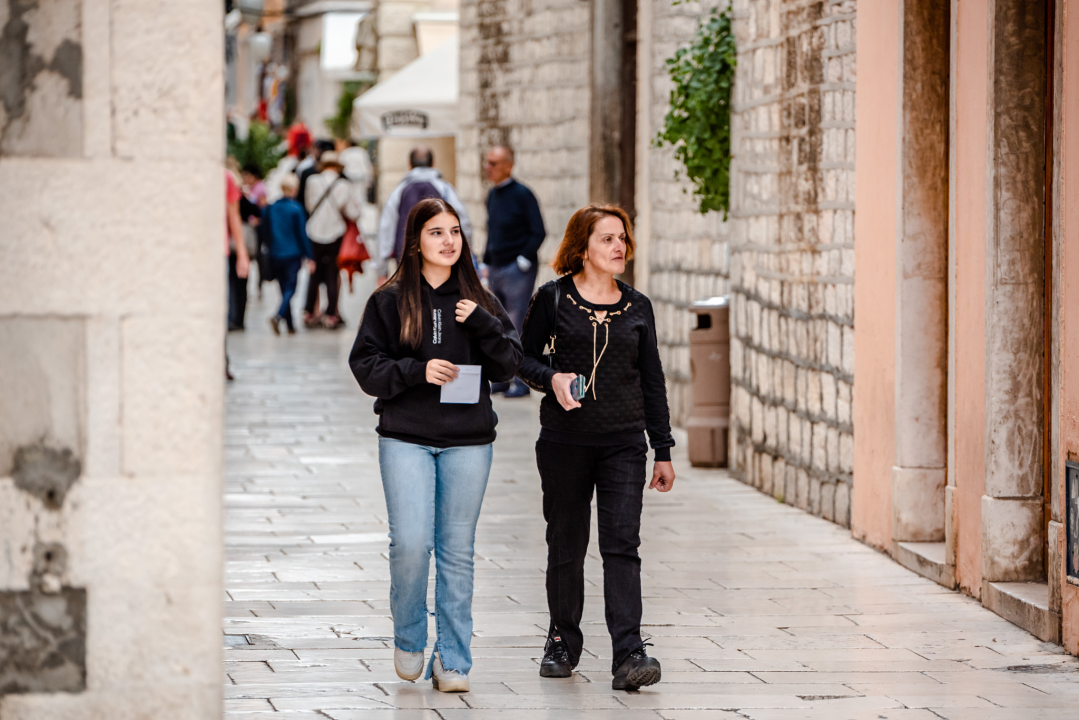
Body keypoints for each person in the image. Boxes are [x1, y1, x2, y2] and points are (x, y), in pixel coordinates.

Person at [350, 198, 522, 694]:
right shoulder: (390, 299)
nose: (449, 242)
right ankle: (409, 638)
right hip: (406, 437)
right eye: (436, 233)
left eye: (455, 232)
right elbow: (365, 367)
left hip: (468, 441)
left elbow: (510, 367)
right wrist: (415, 371)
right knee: (409, 544)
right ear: (415, 242)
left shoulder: (482, 301)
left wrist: (483, 324)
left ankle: (453, 660)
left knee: (457, 551)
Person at [517, 204, 676, 691]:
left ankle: (629, 652)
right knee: (566, 543)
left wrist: (662, 448)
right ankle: (562, 642)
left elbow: (653, 381)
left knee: (622, 546)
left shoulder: (639, 306)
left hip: (624, 445)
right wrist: (552, 377)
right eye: (607, 239)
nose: (618, 247)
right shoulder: (554, 299)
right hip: (564, 442)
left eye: (622, 238)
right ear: (582, 247)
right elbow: (519, 360)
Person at [483, 145, 546, 398]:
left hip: (517, 269)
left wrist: (524, 257)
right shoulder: (492, 195)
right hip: (496, 266)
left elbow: (538, 231)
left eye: (494, 163)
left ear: (509, 165)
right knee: (497, 324)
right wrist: (486, 261)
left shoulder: (523, 195)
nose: (488, 168)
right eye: (487, 163)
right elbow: (492, 232)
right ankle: (500, 377)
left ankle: (521, 381)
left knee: (517, 324)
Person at [376, 146, 472, 284]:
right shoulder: (445, 189)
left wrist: (382, 271)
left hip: (406, 261)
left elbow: (386, 229)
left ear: (410, 164)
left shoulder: (399, 191)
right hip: (441, 261)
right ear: (433, 163)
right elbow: (464, 223)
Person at [304, 151, 363, 329]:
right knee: (332, 273)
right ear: (337, 167)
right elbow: (352, 213)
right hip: (335, 232)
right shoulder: (344, 185)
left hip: (313, 231)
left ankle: (309, 312)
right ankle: (331, 314)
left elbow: (308, 205)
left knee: (314, 273)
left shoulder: (312, 181)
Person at [262, 174, 314, 335]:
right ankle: (278, 316)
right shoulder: (296, 209)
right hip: (292, 253)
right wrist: (309, 255)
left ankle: (290, 325)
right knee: (291, 288)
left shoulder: (271, 208)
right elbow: (302, 234)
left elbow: (265, 231)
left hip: (276, 253)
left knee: (284, 288)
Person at [225, 169, 250, 381]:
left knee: (220, 308)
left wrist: (242, 253)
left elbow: (234, 215)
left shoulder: (225, 178)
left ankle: (220, 359)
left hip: (220, 254)